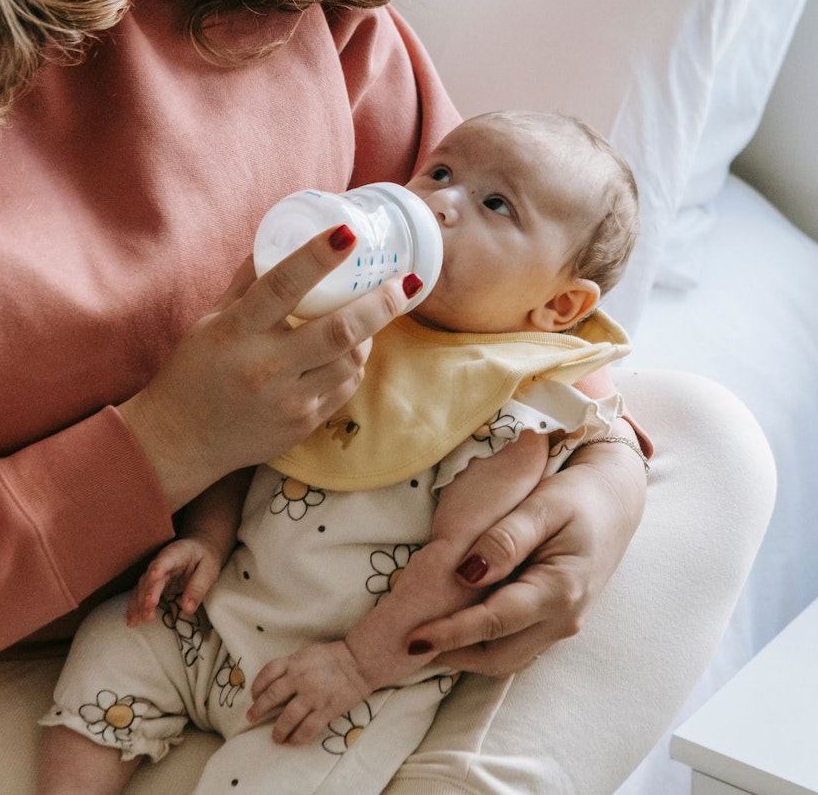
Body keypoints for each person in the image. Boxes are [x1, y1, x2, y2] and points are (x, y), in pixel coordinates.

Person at [0, 0, 650, 749]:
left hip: (310, 626)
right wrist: (169, 442)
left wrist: (606, 476)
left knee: (731, 453)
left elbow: (513, 292)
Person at [36, 110, 642, 794]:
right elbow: (240, 434)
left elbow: (458, 564)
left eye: (495, 204)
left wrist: (357, 665)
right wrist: (207, 535)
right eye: (439, 172)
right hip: (215, 616)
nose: (438, 202)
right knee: (115, 640)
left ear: (559, 307)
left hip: (338, 681)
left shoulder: (508, 408)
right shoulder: (344, 315)